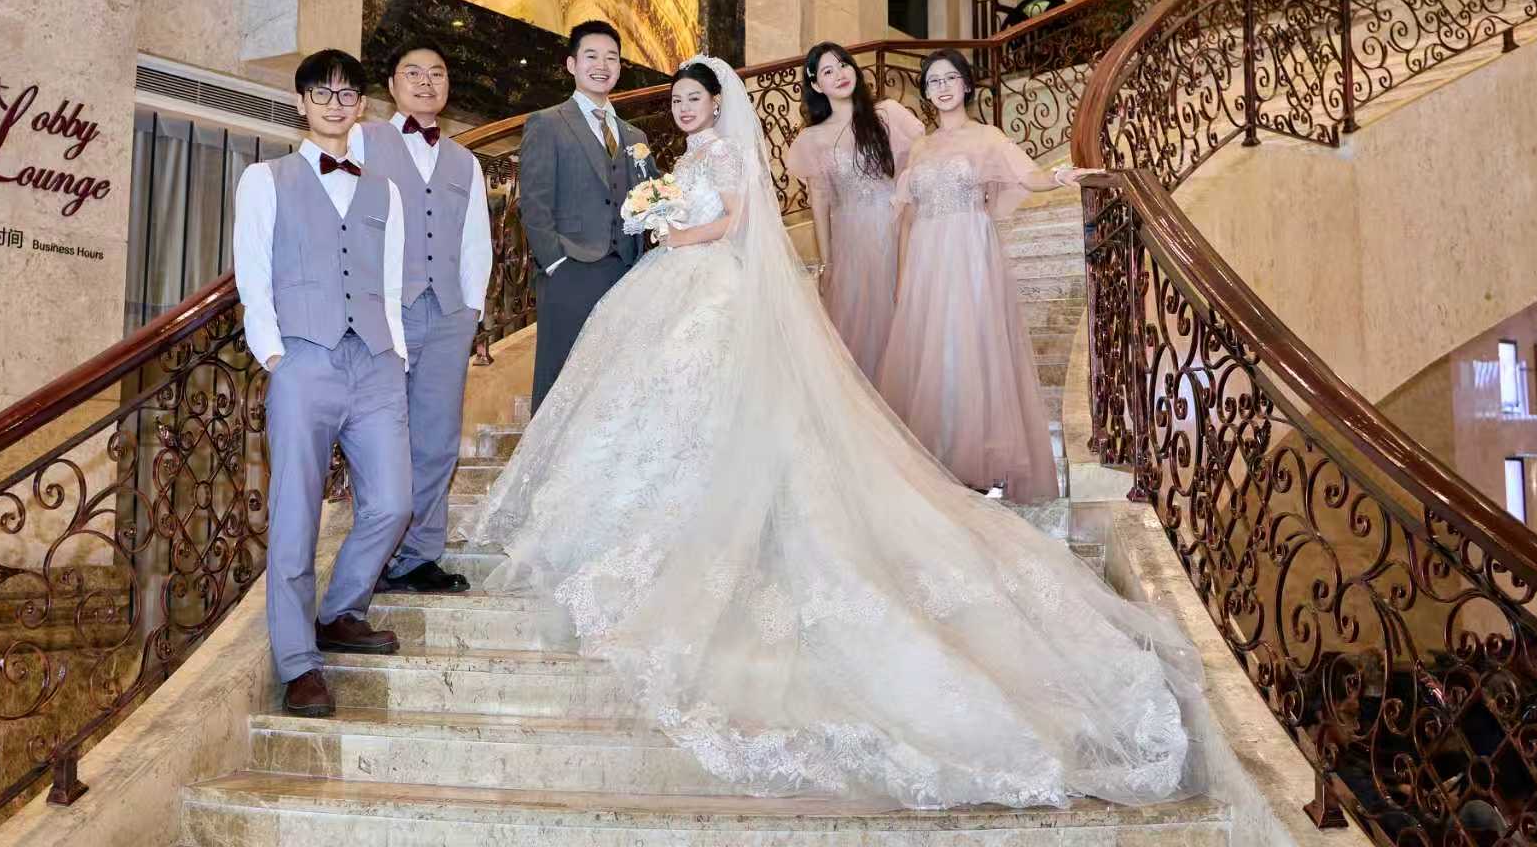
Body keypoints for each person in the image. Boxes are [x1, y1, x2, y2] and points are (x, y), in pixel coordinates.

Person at [472, 56, 1206, 811]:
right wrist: (660, 220)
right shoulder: (681, 158)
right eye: (679, 100)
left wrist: (679, 234)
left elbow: (736, 220)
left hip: (712, 285)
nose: (687, 109)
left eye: (696, 99)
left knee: (713, 398)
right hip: (676, 282)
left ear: (718, 105)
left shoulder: (728, 154)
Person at [232, 49, 410, 718]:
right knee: (296, 515)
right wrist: (274, 356)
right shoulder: (265, 179)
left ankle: (340, 611)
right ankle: (298, 663)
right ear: (302, 102)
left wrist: (396, 355)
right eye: (322, 93)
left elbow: (389, 281)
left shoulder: (384, 191)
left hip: (376, 363)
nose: (336, 105)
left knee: (393, 502)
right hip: (303, 360)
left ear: (362, 105)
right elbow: (253, 275)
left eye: (347, 94)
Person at [879, 47, 1082, 503]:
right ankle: (939, 457)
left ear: (966, 84)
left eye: (950, 78)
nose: (942, 87)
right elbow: (907, 218)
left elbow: (1028, 176)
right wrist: (902, 280)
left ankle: (976, 462)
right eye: (933, 81)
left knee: (969, 349)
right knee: (933, 355)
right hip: (927, 261)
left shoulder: (987, 137)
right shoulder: (921, 146)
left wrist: (1059, 176)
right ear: (926, 91)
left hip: (970, 254)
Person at [363, 41, 493, 595]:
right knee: (380, 438)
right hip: (384, 313)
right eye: (412, 72)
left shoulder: (466, 161)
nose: (425, 82)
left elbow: (476, 241)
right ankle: (376, 554)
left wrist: (472, 310)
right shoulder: (363, 141)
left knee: (437, 441)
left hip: (447, 315)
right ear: (391, 85)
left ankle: (419, 556)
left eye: (436, 73)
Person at [517, 21, 653, 409]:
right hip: (570, 270)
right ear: (571, 64)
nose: (602, 65)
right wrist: (555, 263)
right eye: (591, 56)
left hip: (625, 272)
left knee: (615, 386)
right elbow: (534, 201)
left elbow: (649, 198)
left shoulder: (635, 137)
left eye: (611, 58)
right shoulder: (547, 123)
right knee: (561, 385)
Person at [786, 42, 924, 382]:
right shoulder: (812, 139)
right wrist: (827, 262)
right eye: (828, 71)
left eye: (843, 64)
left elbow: (913, 174)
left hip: (894, 227)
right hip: (851, 239)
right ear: (817, 85)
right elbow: (819, 202)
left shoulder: (887, 115)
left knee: (901, 312)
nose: (840, 74)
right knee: (860, 325)